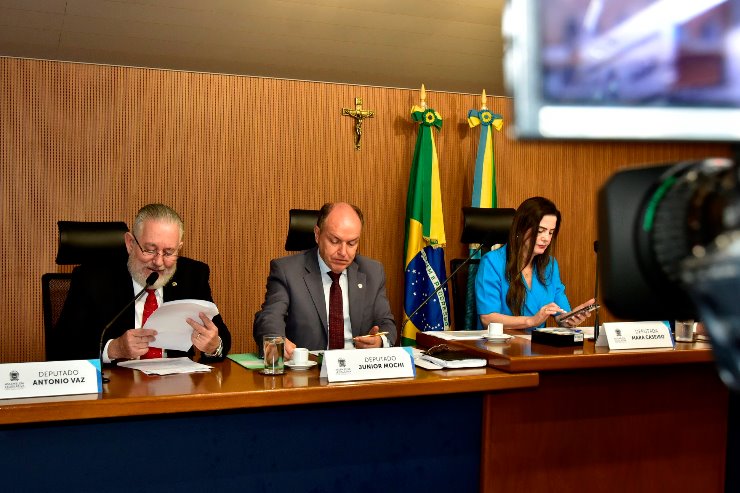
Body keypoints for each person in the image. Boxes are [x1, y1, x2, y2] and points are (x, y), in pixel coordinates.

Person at [51, 203, 231, 362]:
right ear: (130, 243)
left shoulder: (193, 275)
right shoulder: (92, 278)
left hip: (176, 389)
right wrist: (114, 349)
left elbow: (221, 336)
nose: (159, 262)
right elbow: (61, 350)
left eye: (169, 252)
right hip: (116, 389)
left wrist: (214, 346)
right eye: (150, 250)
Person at [253, 202, 396, 359]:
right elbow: (270, 318)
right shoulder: (287, 271)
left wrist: (380, 341)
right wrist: (275, 340)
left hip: (357, 373)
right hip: (308, 373)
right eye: (334, 241)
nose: (343, 252)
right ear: (317, 234)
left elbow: (386, 323)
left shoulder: (372, 272)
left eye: (351, 243)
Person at [475, 196, 594, 330]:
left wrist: (571, 318)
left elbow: (561, 315)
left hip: (536, 347)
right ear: (521, 228)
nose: (546, 239)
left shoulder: (550, 265)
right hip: (498, 345)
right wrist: (531, 321)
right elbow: (488, 319)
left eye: (551, 232)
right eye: (540, 231)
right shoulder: (492, 262)